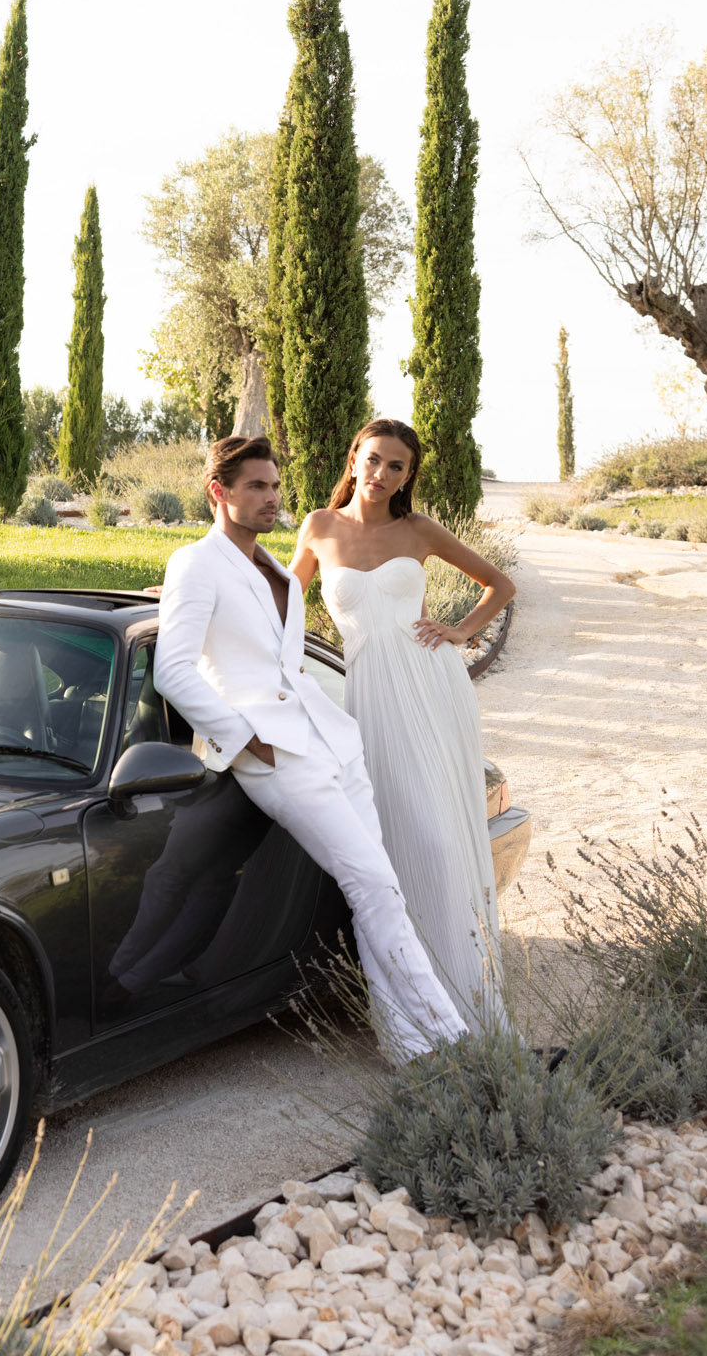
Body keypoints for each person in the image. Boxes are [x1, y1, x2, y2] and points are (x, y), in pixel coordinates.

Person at [154, 434, 467, 1061]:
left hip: (332, 741)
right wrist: (246, 741)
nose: (272, 497)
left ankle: (411, 1050)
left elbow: (288, 662)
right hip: (273, 754)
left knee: (379, 894)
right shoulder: (196, 563)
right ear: (220, 492)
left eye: (274, 485)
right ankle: (461, 1044)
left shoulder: (275, 570)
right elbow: (174, 669)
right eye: (256, 487)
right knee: (375, 887)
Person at [290, 418, 516, 1032]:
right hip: (370, 694)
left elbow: (500, 584)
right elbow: (281, 602)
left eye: (397, 466)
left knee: (441, 841)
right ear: (353, 458)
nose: (382, 474)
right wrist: (185, 594)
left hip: (431, 683)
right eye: (374, 460)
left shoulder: (418, 529)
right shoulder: (318, 527)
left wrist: (461, 632)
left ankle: (465, 1000)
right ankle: (414, 1007)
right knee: (388, 843)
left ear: (408, 476)